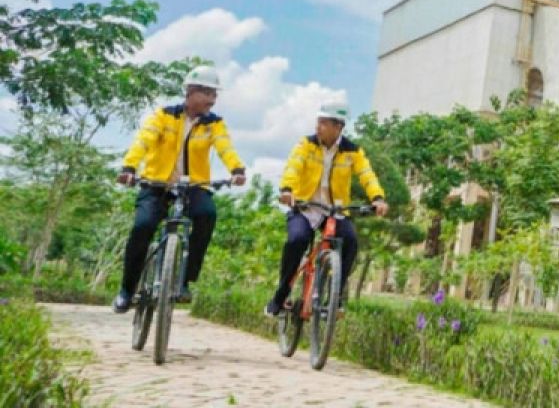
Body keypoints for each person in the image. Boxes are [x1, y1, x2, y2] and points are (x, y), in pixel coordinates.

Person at [112, 65, 246, 313]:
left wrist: (236, 170)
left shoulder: (214, 124)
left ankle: (185, 280)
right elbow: (143, 141)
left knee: (206, 214)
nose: (212, 100)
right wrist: (130, 167)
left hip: (194, 185)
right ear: (191, 91)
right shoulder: (163, 116)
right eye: (208, 93)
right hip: (157, 183)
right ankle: (126, 290)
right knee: (142, 227)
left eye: (215, 95)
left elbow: (224, 147)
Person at [264, 99, 387, 316]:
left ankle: (336, 297)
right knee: (297, 241)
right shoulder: (306, 145)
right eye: (317, 121)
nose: (317, 126)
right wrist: (287, 189)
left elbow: (367, 175)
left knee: (350, 241)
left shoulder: (353, 151)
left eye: (323, 123)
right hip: (305, 207)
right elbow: (294, 165)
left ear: (338, 127)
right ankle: (281, 296)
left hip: (335, 211)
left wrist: (377, 197)